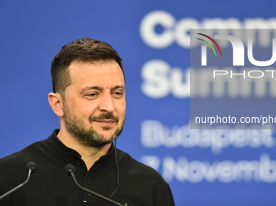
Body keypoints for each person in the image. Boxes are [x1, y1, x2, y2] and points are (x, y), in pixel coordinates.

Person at [0, 38, 175, 206]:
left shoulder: (150, 186)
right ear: (58, 104)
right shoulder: (12, 178)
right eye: (92, 94)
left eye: (117, 93)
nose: (109, 106)